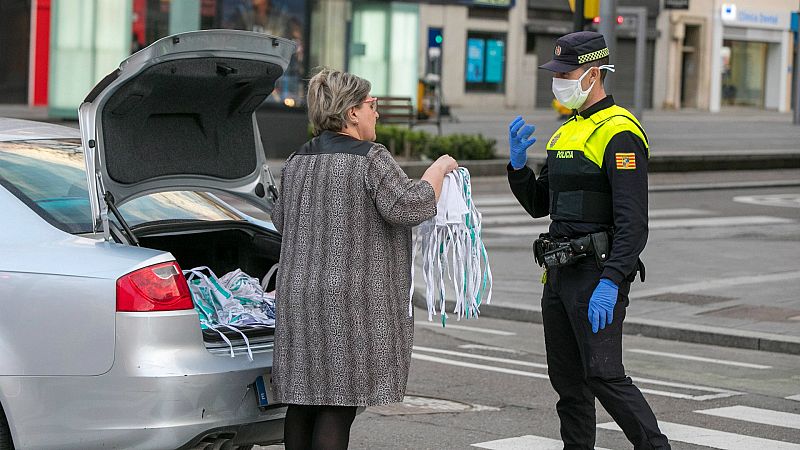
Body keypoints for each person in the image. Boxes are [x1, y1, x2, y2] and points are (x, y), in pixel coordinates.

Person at [271, 68, 458, 450]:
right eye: (372, 104)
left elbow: (279, 219)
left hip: (299, 300)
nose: (377, 112)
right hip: (350, 304)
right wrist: (438, 169)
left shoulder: (296, 161)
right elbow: (410, 206)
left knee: (304, 401)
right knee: (339, 404)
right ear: (352, 113)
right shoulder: (371, 159)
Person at [506, 31, 670, 450]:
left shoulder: (620, 132)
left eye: (566, 72)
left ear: (593, 73)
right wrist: (519, 167)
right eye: (556, 72)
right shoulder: (565, 133)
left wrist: (612, 281)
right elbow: (540, 204)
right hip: (558, 277)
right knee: (569, 386)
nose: (558, 80)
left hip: (596, 277)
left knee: (604, 375)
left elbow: (633, 222)